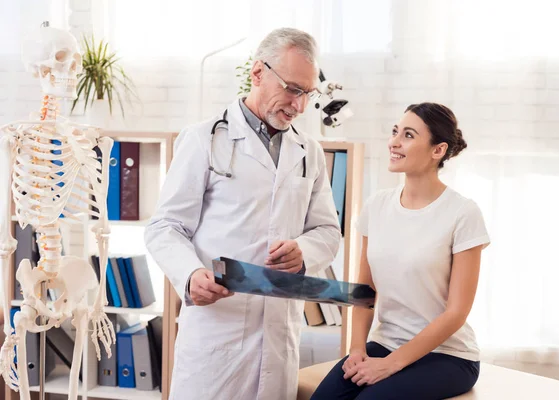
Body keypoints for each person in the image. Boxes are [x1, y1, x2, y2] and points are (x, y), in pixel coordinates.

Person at [144, 28, 341, 400]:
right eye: (292, 89)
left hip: (278, 336)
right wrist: (190, 275)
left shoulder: (309, 152)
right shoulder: (204, 139)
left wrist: (305, 252)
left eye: (307, 93)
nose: (299, 106)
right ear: (258, 74)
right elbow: (165, 227)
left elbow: (328, 231)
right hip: (217, 335)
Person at [311, 103, 490, 400]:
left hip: (449, 355)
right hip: (385, 343)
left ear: (438, 150)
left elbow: (457, 312)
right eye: (395, 132)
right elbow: (364, 291)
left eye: (408, 135)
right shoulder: (377, 205)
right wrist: (356, 351)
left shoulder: (463, 213)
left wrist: (390, 366)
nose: (394, 142)